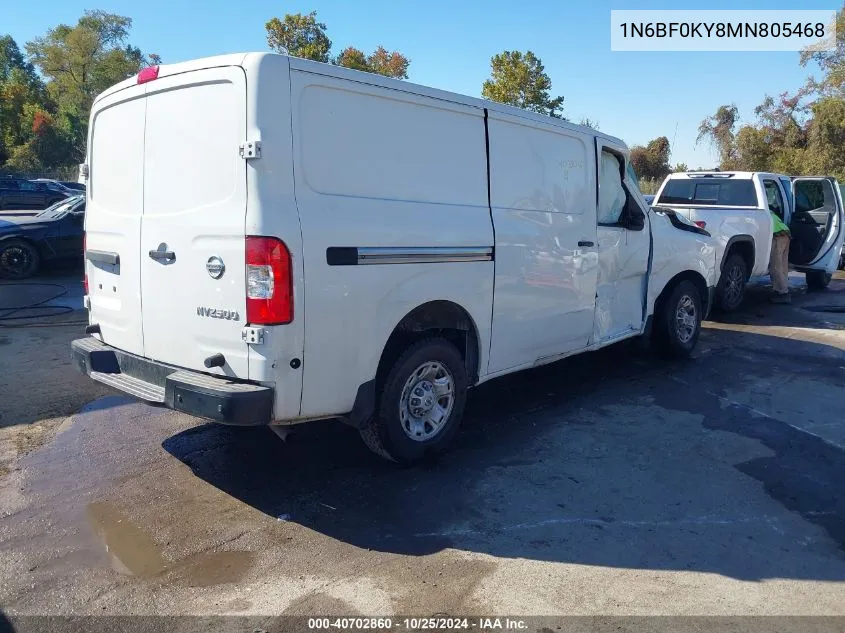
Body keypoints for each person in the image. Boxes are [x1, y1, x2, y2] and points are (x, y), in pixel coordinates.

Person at [769, 211, 791, 303]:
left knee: (775, 266)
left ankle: (782, 293)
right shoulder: (770, 211)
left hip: (777, 236)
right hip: (786, 234)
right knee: (783, 265)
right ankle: (782, 289)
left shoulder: (762, 211)